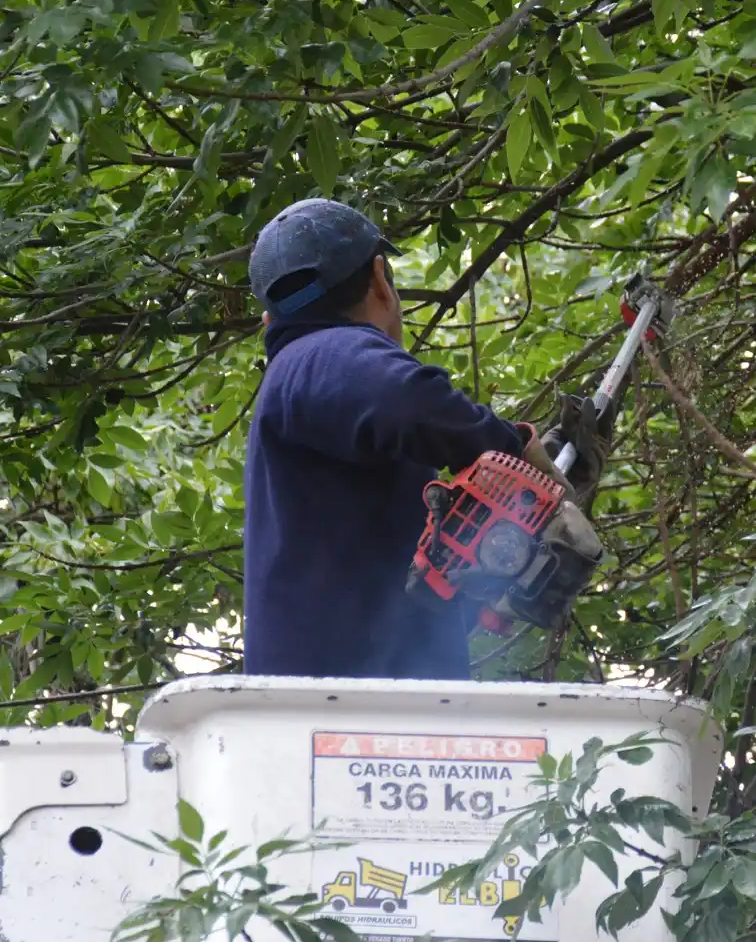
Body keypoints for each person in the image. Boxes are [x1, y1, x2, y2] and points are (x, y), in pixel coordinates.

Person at [240, 198, 606, 680]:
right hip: (347, 708)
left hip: (355, 694)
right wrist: (515, 450)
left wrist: (528, 503)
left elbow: (406, 589)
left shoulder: (303, 392)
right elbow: (408, 401)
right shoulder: (318, 354)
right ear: (380, 280)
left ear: (270, 321)